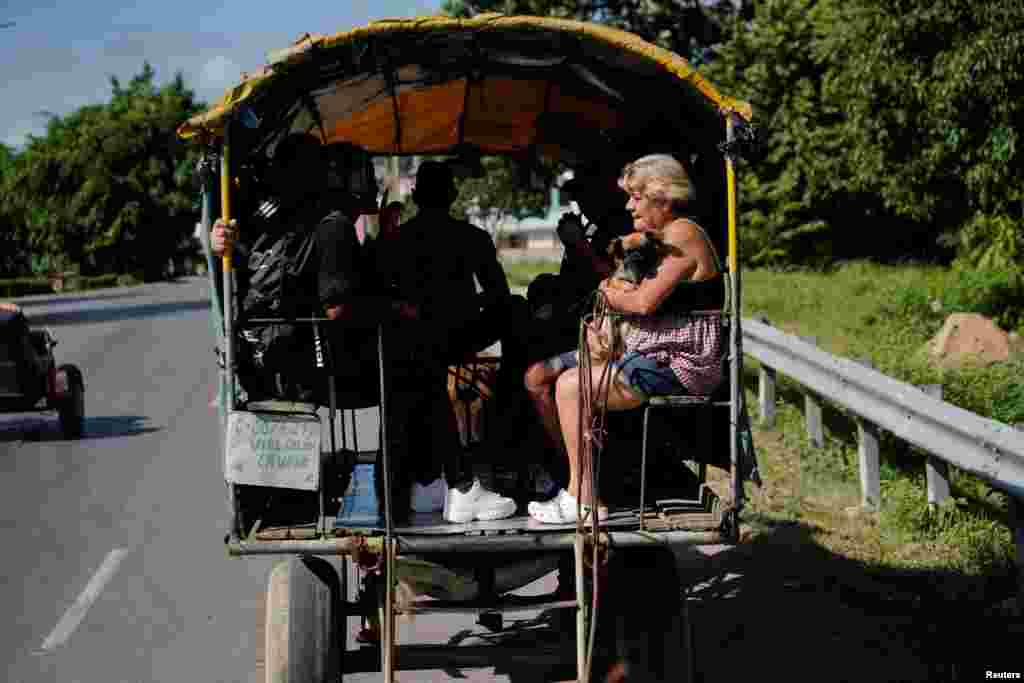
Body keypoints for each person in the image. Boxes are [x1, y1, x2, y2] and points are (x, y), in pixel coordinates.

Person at [524, 154, 726, 524]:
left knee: (571, 386)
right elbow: (616, 284)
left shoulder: (683, 234)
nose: (629, 205)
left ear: (662, 199)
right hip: (645, 348)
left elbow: (643, 301)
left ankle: (583, 497)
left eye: (636, 196)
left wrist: (608, 296)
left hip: (678, 361)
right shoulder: (654, 238)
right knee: (538, 376)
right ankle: (573, 473)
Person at [379, 160, 524, 523]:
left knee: (419, 362)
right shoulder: (471, 237)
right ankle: (510, 415)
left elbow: (384, 293)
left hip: (412, 343)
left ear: (415, 194)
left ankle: (429, 479)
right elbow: (499, 296)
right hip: (457, 337)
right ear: (453, 194)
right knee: (516, 310)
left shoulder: (398, 239)